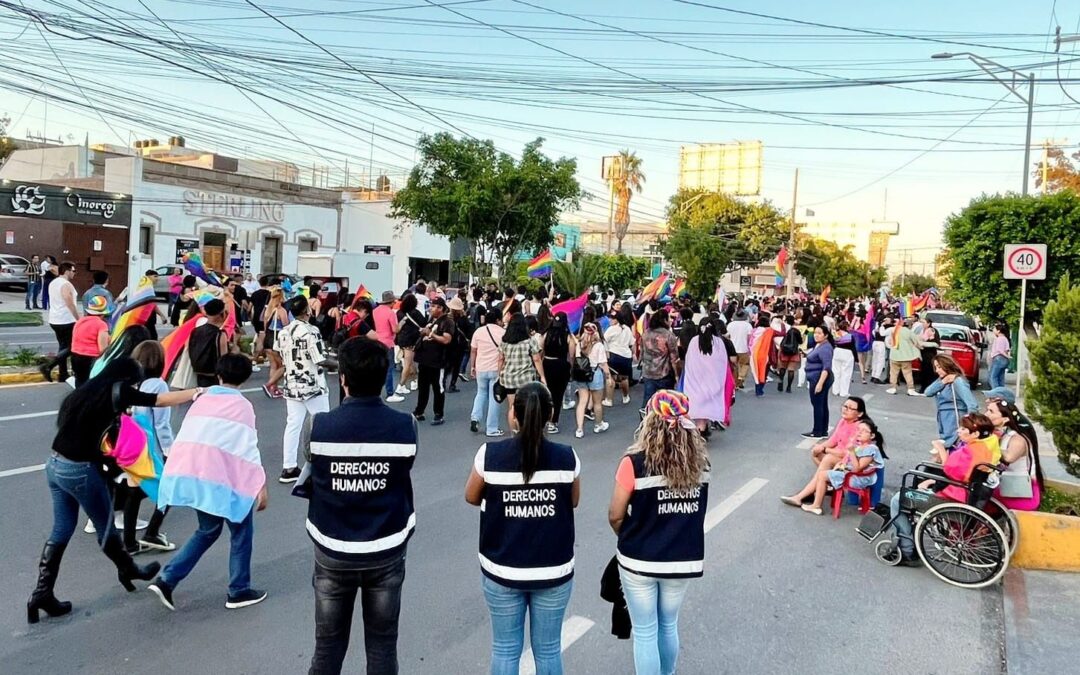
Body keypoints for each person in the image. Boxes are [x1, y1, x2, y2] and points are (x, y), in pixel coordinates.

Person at [27, 358, 198, 624]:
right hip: (80, 470)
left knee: (61, 529)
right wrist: (197, 392)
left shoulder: (87, 390)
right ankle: (129, 569)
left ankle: (41, 593)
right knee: (106, 528)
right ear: (128, 379)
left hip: (55, 464)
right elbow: (159, 400)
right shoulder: (119, 389)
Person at [302, 337, 418, 675]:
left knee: (327, 646)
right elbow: (404, 468)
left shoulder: (318, 426)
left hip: (332, 549)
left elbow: (311, 464)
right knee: (382, 645)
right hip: (386, 548)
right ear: (384, 379)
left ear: (343, 379)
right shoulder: (405, 427)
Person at [465, 382, 580, 675]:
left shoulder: (489, 455)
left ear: (513, 415)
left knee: (504, 649)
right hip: (553, 570)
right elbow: (573, 500)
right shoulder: (567, 457)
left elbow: (471, 496)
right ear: (550, 414)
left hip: (502, 568)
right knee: (549, 650)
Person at [149, 354, 268, 611]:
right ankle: (238, 590)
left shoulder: (203, 398)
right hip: (221, 479)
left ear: (219, 374)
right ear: (245, 377)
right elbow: (247, 447)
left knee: (208, 530)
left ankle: (168, 579)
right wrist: (260, 484)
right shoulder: (243, 406)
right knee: (241, 531)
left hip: (193, 473)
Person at [608, 390, 709, 675]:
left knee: (645, 631)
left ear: (650, 421)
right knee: (668, 624)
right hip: (682, 558)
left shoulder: (633, 463)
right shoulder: (702, 465)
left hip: (639, 559)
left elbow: (615, 515)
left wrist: (631, 536)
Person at [887, 414, 994, 566]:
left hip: (952, 496)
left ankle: (907, 550)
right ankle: (911, 541)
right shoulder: (984, 449)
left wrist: (940, 449)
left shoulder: (968, 452)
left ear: (975, 434)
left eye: (963, 429)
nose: (958, 431)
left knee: (898, 500)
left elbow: (949, 470)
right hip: (964, 492)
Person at [277, 295, 336, 483]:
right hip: (312, 383)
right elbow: (320, 359)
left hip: (292, 383)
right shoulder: (311, 331)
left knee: (293, 425)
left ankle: (289, 467)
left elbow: (281, 355)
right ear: (307, 311)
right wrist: (342, 364)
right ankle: (324, 465)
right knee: (322, 424)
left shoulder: (284, 332)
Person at [126, 341, 176, 553]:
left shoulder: (130, 383)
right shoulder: (158, 385)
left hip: (130, 444)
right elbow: (161, 424)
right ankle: (152, 532)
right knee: (170, 489)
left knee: (134, 491)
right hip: (151, 447)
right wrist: (170, 452)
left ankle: (129, 542)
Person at [782, 419, 885, 515]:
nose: (859, 432)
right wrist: (842, 465)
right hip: (854, 475)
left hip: (859, 479)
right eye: (858, 429)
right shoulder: (859, 446)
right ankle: (817, 496)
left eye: (864, 431)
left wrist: (851, 452)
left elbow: (858, 468)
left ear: (872, 436)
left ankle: (816, 505)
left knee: (822, 475)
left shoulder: (871, 449)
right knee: (825, 470)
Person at [986, 397, 1044, 510]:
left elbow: (1008, 457)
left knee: (978, 498)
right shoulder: (1001, 434)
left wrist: (992, 443)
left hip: (1020, 491)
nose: (986, 414)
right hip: (1005, 485)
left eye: (991, 411)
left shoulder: (1018, 439)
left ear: (1005, 419)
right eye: (987, 410)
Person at [680, 318, 733, 435]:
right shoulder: (719, 343)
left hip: (695, 383)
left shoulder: (694, 341)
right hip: (713, 384)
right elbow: (723, 364)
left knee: (698, 411)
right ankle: (702, 430)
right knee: (706, 410)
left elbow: (689, 363)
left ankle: (700, 430)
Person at [923, 354, 980, 453]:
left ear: (947, 365)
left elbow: (972, 404)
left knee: (951, 447)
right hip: (944, 419)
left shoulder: (958, 381)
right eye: (936, 367)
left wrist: (968, 424)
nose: (937, 370)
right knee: (946, 448)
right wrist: (943, 382)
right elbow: (928, 392)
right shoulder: (943, 380)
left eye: (939, 367)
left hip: (955, 418)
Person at [499, 314, 545, 435]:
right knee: (526, 406)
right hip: (526, 378)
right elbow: (536, 359)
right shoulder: (529, 341)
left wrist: (499, 374)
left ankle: (514, 433)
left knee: (512, 407)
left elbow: (501, 359)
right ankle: (526, 431)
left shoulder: (504, 341)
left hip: (509, 378)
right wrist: (542, 376)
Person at [412, 297, 454, 426]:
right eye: (431, 305)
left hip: (438, 360)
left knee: (438, 388)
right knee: (423, 387)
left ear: (441, 308)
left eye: (434, 306)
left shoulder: (447, 322)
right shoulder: (431, 319)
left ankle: (438, 413)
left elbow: (447, 340)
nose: (431, 308)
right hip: (425, 359)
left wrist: (431, 334)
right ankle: (419, 411)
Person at [470, 308, 506, 437]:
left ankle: (475, 418)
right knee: (494, 398)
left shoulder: (478, 332)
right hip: (496, 369)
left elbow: (473, 350)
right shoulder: (503, 333)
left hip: (481, 368)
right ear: (498, 320)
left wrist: (472, 366)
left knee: (480, 393)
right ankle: (491, 428)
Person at [539, 312, 576, 435]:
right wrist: (571, 367)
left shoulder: (546, 334)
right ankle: (553, 422)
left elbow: (541, 352)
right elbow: (571, 355)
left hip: (547, 364)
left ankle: (543, 419)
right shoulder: (567, 337)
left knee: (546, 393)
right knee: (558, 395)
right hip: (561, 366)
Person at [574, 323, 611, 439]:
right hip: (595, 374)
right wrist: (608, 376)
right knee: (597, 402)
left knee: (582, 402)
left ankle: (579, 429)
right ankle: (598, 424)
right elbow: (603, 363)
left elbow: (576, 358)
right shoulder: (599, 345)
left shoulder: (579, 344)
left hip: (581, 374)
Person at [809, 396, 869, 466]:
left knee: (828, 459)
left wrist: (824, 449)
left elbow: (847, 453)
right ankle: (827, 474)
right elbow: (833, 440)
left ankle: (825, 474)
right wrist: (819, 447)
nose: (845, 410)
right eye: (845, 406)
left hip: (851, 460)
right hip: (838, 453)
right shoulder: (843, 421)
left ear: (860, 413)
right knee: (815, 453)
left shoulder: (860, 427)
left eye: (850, 408)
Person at [639, 311, 681, 408]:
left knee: (648, 401)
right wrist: (677, 375)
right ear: (664, 320)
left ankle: (645, 421)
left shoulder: (646, 333)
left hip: (648, 372)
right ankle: (663, 422)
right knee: (665, 403)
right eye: (669, 318)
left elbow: (642, 352)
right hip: (664, 373)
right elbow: (674, 358)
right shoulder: (668, 335)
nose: (670, 320)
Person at [68, 296, 112, 387]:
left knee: (79, 383)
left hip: (75, 357)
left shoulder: (79, 321)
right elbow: (103, 349)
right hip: (90, 359)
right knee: (91, 386)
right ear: (103, 314)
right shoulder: (101, 325)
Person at [188, 299, 231, 388]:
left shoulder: (195, 331)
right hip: (214, 376)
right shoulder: (220, 334)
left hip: (199, 373)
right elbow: (223, 357)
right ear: (221, 314)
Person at [802, 326, 835, 439]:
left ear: (825, 335)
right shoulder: (820, 345)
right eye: (815, 333)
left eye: (819, 333)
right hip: (816, 377)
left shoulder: (825, 348)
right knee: (822, 404)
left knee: (818, 405)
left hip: (819, 378)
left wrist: (820, 384)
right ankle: (823, 430)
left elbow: (826, 367)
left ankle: (817, 431)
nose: (816, 335)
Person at [373, 290, 403, 402]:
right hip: (388, 342)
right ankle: (390, 393)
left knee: (377, 368)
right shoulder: (391, 313)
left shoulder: (375, 311)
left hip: (377, 341)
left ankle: (374, 392)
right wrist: (401, 324)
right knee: (388, 368)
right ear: (391, 302)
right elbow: (395, 329)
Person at [262, 287, 290, 398]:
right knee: (284, 365)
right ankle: (270, 385)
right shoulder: (281, 310)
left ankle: (274, 389)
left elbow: (265, 326)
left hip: (267, 339)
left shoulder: (268, 310)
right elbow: (286, 326)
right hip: (276, 340)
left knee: (274, 365)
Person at [395, 294, 425, 396]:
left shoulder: (399, 313)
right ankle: (401, 385)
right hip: (411, 340)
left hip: (401, 339)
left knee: (410, 362)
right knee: (408, 364)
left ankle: (414, 381)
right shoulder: (415, 313)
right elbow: (423, 323)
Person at [882, 318, 921, 396]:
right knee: (908, 373)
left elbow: (889, 341)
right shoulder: (909, 332)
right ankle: (910, 389)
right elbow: (917, 342)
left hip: (894, 355)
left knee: (893, 373)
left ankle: (893, 387)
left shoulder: (894, 330)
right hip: (905, 357)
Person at [603, 310, 635, 407]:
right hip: (626, 356)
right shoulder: (627, 329)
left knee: (611, 377)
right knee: (624, 378)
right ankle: (625, 397)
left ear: (617, 319)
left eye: (612, 318)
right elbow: (631, 343)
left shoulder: (611, 329)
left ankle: (609, 400)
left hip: (614, 355)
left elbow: (604, 340)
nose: (610, 320)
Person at [444, 297, 472, 393]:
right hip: (460, 345)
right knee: (456, 366)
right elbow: (469, 332)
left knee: (446, 365)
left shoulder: (447, 318)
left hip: (448, 344)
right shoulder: (463, 319)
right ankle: (452, 385)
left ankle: (442, 384)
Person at [829, 320, 856, 399]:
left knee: (836, 372)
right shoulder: (850, 336)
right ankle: (843, 392)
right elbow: (853, 347)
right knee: (846, 373)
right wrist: (856, 358)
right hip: (847, 353)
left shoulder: (835, 334)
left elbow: (832, 343)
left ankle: (835, 390)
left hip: (837, 352)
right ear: (846, 327)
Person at [726, 310, 753, 389]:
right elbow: (749, 338)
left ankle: (735, 383)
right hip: (744, 348)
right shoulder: (748, 325)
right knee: (744, 365)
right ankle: (741, 379)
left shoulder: (730, 324)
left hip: (733, 349)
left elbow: (727, 336)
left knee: (734, 366)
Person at [776, 315, 802, 393]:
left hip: (784, 350)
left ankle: (781, 381)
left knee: (782, 368)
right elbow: (800, 341)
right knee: (791, 370)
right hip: (794, 351)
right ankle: (789, 387)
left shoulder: (786, 329)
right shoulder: (797, 331)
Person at [916, 317, 940, 392]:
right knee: (924, 371)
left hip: (929, 354)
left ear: (929, 323)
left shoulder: (931, 331)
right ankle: (924, 387)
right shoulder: (923, 330)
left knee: (929, 372)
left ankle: (928, 388)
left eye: (924, 323)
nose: (922, 324)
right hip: (923, 353)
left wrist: (922, 343)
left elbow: (935, 343)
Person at [988, 323, 1011, 390]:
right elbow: (1007, 349)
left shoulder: (999, 339)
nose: (993, 331)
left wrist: (1006, 356)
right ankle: (1001, 392)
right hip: (1004, 360)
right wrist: (1007, 357)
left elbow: (999, 350)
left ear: (999, 331)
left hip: (998, 358)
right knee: (1000, 378)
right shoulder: (1005, 339)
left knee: (993, 377)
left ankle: (996, 393)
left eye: (995, 329)